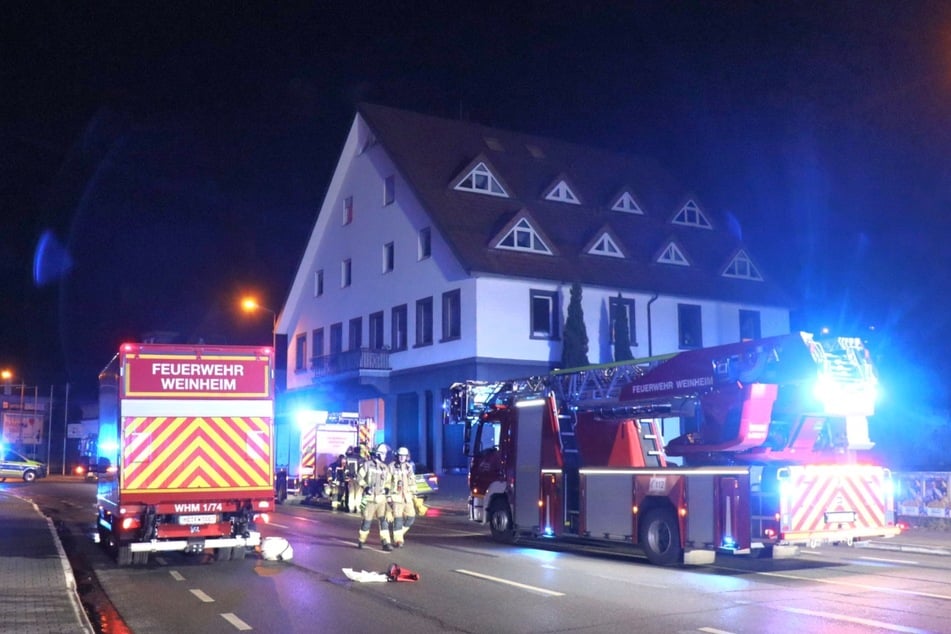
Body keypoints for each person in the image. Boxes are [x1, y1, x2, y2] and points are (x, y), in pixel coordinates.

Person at [356, 444, 393, 550]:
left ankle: (386, 543)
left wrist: (386, 488)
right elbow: (359, 477)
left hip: (381, 499)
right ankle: (361, 540)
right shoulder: (367, 465)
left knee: (383, 521)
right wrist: (366, 487)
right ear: (377, 454)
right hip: (370, 499)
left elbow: (388, 481)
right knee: (367, 521)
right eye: (383, 454)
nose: (385, 456)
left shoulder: (385, 468)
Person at [389, 446, 418, 548]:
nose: (402, 458)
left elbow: (412, 480)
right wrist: (388, 496)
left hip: (407, 497)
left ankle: (399, 533)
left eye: (404, 456)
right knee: (398, 519)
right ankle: (398, 540)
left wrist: (414, 493)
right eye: (400, 456)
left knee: (411, 517)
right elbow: (387, 482)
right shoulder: (391, 467)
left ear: (407, 457)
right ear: (397, 456)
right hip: (396, 497)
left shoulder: (409, 467)